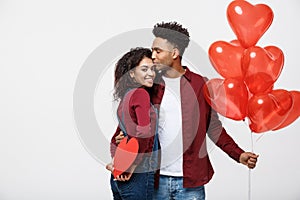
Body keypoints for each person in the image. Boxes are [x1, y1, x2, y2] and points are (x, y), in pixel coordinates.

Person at [111, 22, 258, 200]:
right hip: (154, 179)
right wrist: (121, 140)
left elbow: (213, 127)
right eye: (152, 51)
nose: (153, 56)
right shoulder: (149, 86)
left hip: (190, 183)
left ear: (174, 53)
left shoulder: (200, 85)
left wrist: (238, 154)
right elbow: (132, 119)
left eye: (158, 51)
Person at [107, 47, 159, 200]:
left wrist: (116, 164)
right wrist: (133, 166)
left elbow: (116, 137)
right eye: (144, 69)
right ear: (131, 73)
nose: (151, 73)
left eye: (153, 69)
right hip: (136, 176)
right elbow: (145, 132)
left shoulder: (126, 98)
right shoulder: (140, 94)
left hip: (118, 178)